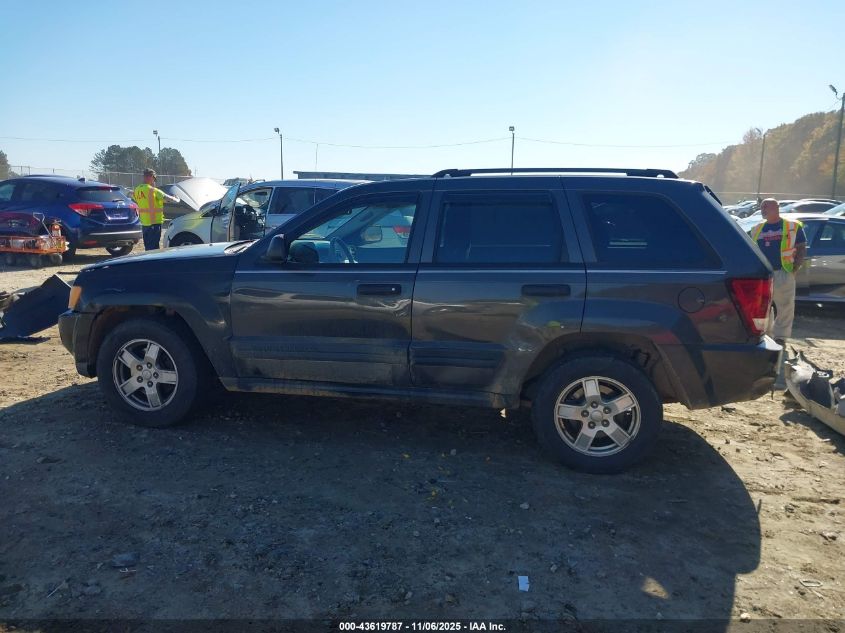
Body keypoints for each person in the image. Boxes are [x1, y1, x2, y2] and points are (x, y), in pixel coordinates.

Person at [751, 198, 807, 345]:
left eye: (766, 207)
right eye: (762, 207)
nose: (763, 210)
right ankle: (766, 335)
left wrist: (795, 268)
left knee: (785, 307)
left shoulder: (792, 227)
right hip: (764, 275)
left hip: (783, 272)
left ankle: (780, 337)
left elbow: (801, 247)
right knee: (763, 306)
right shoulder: (757, 228)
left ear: (776, 208)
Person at [133, 169, 179, 251]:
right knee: (154, 249)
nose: (154, 181)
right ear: (151, 177)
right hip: (154, 223)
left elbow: (145, 201)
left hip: (144, 224)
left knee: (148, 247)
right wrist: (177, 199)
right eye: (154, 179)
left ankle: (148, 262)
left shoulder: (137, 190)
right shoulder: (153, 190)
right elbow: (169, 199)